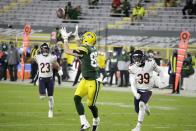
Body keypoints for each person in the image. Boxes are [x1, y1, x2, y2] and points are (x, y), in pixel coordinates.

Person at [60, 25, 101, 131]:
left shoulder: (86, 48)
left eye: (83, 38)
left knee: (91, 105)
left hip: (93, 81)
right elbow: (81, 47)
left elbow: (68, 51)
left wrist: (65, 39)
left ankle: (96, 120)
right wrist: (77, 36)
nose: (82, 40)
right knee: (76, 98)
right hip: (85, 80)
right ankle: (84, 123)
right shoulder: (91, 48)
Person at [129, 50, 165, 131]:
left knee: (141, 104)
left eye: (138, 58)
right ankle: (146, 105)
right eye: (135, 58)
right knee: (137, 110)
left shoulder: (150, 63)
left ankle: (138, 127)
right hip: (138, 89)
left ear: (142, 57)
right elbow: (132, 83)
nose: (136, 60)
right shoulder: (132, 67)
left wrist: (162, 82)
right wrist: (135, 94)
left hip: (148, 90)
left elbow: (160, 71)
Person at [34, 43, 63, 118]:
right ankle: (43, 91)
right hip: (42, 79)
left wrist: (59, 69)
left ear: (48, 49)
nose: (45, 50)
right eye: (43, 49)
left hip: (50, 79)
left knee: (50, 97)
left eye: (46, 49)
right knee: (42, 97)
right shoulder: (38, 57)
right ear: (41, 49)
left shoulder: (52, 57)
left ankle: (50, 110)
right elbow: (33, 59)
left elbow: (56, 64)